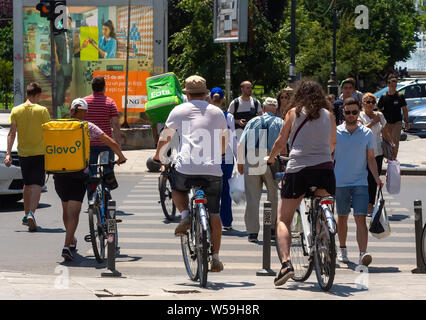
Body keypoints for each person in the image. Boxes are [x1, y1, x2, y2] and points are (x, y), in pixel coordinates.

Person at [153, 75, 228, 272]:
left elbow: (166, 136)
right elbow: (224, 140)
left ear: (186, 94)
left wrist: (158, 156)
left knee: (177, 187)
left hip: (186, 167)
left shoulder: (179, 110)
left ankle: (185, 214)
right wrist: (219, 153)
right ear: (206, 94)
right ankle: (216, 258)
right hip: (212, 170)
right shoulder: (217, 112)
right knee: (214, 213)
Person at [266, 80, 337, 286]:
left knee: (283, 219)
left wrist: (271, 158)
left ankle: (286, 264)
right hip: (324, 169)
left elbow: (281, 141)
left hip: (299, 170)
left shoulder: (293, 113)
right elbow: (333, 143)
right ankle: (324, 244)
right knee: (324, 205)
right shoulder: (329, 115)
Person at [54, 98, 127, 261]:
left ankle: (71, 240)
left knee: (66, 210)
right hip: (78, 174)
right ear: (85, 112)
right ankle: (67, 245)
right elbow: (110, 141)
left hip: (59, 173)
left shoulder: (58, 127)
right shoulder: (87, 126)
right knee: (74, 212)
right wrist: (121, 156)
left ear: (71, 111)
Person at [334, 97, 384, 267]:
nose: (351, 115)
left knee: (360, 218)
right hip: (340, 182)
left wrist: (377, 178)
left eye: (354, 112)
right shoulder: (335, 132)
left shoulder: (367, 133)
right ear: (343, 112)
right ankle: (342, 249)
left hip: (360, 182)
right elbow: (330, 157)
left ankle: (363, 253)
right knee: (342, 217)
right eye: (348, 112)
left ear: (358, 112)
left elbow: (371, 159)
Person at [4, 82, 51, 232]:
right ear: (37, 95)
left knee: (27, 184)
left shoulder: (16, 110)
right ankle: (31, 213)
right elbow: (48, 133)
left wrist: (8, 154)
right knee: (37, 184)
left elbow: (12, 133)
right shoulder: (42, 110)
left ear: (26, 94)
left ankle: (25, 215)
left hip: (23, 153)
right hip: (39, 152)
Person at [238, 97, 283, 243]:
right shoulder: (280, 122)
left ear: (263, 109)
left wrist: (240, 163)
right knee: (272, 196)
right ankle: (270, 228)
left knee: (252, 197)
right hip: (272, 158)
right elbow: (286, 144)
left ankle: (252, 232)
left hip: (253, 157)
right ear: (275, 110)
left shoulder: (252, 121)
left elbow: (241, 143)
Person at [358, 93, 395, 216]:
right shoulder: (359, 115)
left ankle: (370, 205)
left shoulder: (379, 115)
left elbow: (385, 131)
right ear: (363, 103)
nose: (370, 104)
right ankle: (362, 203)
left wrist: (391, 144)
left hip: (377, 151)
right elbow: (362, 130)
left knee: (374, 179)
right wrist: (373, 122)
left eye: (372, 102)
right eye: (367, 102)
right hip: (364, 152)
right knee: (364, 179)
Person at [84, 76, 124, 178]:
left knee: (90, 174)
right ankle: (105, 191)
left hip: (89, 145)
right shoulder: (109, 102)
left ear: (92, 87)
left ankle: (92, 193)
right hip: (106, 144)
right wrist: (118, 145)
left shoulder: (85, 102)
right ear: (104, 87)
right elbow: (115, 125)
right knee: (107, 172)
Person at [209, 87, 238, 231]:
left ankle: (209, 220)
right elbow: (233, 139)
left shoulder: (205, 114)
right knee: (225, 190)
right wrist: (239, 159)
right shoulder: (228, 117)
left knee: (209, 189)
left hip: (208, 157)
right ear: (222, 100)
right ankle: (226, 222)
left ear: (210, 98)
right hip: (226, 158)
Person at [377, 76, 409, 159]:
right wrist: (379, 122)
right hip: (386, 123)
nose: (393, 88)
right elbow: (379, 110)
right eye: (392, 86)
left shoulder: (400, 96)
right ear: (388, 85)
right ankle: (389, 157)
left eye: (395, 86)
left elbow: (405, 110)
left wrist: (407, 122)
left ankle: (393, 158)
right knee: (387, 141)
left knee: (395, 141)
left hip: (397, 122)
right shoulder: (384, 96)